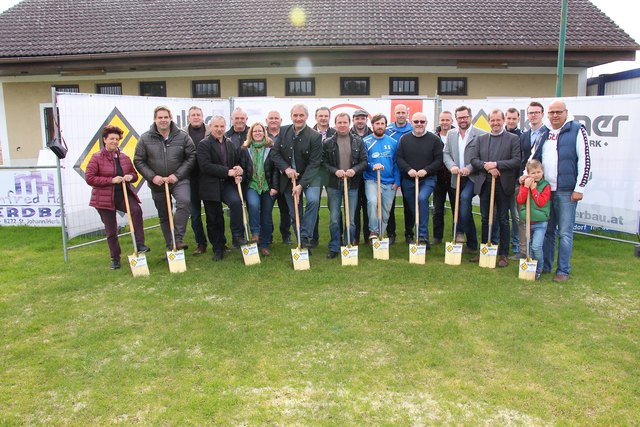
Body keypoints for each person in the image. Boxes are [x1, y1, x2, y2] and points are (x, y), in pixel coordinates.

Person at [532, 100, 591, 282]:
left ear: (566, 112)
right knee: (548, 230)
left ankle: (563, 270)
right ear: (547, 114)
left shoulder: (577, 129)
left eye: (558, 112)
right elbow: (534, 157)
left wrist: (579, 187)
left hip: (567, 191)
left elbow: (585, 160)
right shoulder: (544, 132)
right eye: (552, 112)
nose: (555, 115)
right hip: (547, 190)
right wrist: (526, 175)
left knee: (565, 233)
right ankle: (547, 266)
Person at [86, 125, 150, 269]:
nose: (114, 141)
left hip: (123, 195)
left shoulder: (124, 157)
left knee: (136, 210)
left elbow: (135, 175)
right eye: (111, 139)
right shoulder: (96, 157)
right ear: (105, 140)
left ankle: (139, 244)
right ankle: (115, 258)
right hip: (103, 199)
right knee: (111, 230)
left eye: (117, 139)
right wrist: (110, 180)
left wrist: (129, 177)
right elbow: (90, 178)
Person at [134, 105, 195, 251]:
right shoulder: (145, 138)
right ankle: (171, 244)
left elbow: (192, 156)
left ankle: (178, 238)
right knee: (164, 214)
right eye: (160, 117)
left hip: (179, 180)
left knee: (184, 202)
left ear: (171, 118)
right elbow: (138, 160)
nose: (163, 120)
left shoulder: (182, 136)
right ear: (155, 119)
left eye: (166, 117)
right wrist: (152, 177)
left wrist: (177, 175)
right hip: (157, 183)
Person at [468, 109, 521, 267]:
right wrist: (487, 166)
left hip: (504, 184)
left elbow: (517, 160)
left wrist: (497, 165)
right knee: (485, 218)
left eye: (498, 120)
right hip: (485, 184)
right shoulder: (481, 139)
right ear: (489, 121)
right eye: (492, 120)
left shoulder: (513, 139)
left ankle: (503, 254)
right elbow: (474, 160)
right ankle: (485, 249)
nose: (495, 123)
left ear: (503, 120)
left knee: (503, 219)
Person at [271, 104, 323, 249]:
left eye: (301, 115)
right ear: (291, 116)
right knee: (295, 212)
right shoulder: (283, 131)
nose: (298, 118)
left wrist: (301, 185)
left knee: (313, 201)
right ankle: (303, 244)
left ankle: (305, 235)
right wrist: (286, 168)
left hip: (311, 177)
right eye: (295, 115)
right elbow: (275, 154)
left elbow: (314, 164)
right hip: (289, 179)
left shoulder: (315, 136)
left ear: (306, 116)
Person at [197, 115, 247, 261]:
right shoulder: (204, 144)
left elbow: (236, 162)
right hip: (210, 186)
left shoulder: (230, 143)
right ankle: (218, 248)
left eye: (222, 126)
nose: (219, 129)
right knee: (214, 218)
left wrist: (238, 170)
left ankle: (237, 236)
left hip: (226, 184)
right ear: (210, 127)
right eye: (216, 126)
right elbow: (205, 166)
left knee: (236, 202)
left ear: (225, 127)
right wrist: (227, 171)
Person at [322, 112, 368, 258]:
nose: (342, 125)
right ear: (335, 124)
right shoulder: (327, 142)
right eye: (339, 122)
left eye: (344, 122)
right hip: (333, 185)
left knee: (351, 219)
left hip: (352, 185)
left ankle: (349, 245)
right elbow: (323, 163)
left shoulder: (358, 141)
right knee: (334, 218)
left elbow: (364, 162)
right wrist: (335, 171)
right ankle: (335, 247)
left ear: (349, 123)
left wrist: (354, 170)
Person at [443, 106, 486, 257]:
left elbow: (482, 156)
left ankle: (470, 240)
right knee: (462, 208)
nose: (463, 120)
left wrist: (470, 167)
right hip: (457, 177)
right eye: (460, 117)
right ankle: (470, 242)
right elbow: (446, 153)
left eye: (465, 117)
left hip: (473, 177)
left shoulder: (480, 134)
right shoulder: (451, 134)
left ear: (470, 117)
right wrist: (452, 166)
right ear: (456, 119)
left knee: (464, 200)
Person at [396, 112, 443, 248]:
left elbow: (439, 160)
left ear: (426, 123)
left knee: (422, 199)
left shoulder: (434, 140)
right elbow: (399, 158)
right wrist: (408, 169)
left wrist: (426, 170)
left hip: (427, 179)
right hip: (409, 180)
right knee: (414, 208)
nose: (419, 124)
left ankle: (423, 237)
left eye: (422, 122)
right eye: (416, 122)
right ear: (412, 123)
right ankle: (417, 235)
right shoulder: (404, 139)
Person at [512, 101, 547, 260]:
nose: (533, 115)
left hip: (541, 183)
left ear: (542, 114)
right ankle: (524, 251)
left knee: (540, 217)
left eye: (536, 112)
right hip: (525, 181)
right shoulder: (524, 136)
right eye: (531, 113)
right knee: (522, 217)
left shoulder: (548, 133)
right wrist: (521, 175)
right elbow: (521, 159)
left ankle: (539, 253)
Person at [241, 122, 279, 257]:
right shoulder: (245, 149)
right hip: (252, 185)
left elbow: (275, 170)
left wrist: (275, 187)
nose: (257, 133)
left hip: (268, 187)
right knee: (253, 205)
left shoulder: (271, 148)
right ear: (251, 134)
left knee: (267, 215)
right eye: (255, 131)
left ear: (264, 133)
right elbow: (244, 168)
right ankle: (255, 234)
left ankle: (264, 244)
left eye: (260, 131)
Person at [363, 114, 400, 241]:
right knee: (372, 202)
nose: (380, 126)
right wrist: (372, 165)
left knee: (385, 213)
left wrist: (397, 181)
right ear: (372, 125)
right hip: (372, 180)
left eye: (382, 124)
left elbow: (396, 163)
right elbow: (363, 162)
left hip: (390, 183)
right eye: (377, 124)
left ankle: (379, 237)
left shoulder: (393, 143)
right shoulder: (366, 142)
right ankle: (373, 230)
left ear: (386, 125)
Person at [492, 106, 523, 254]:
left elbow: (518, 160)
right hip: (500, 182)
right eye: (509, 118)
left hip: (517, 182)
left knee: (515, 216)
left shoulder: (521, 136)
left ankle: (516, 245)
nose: (511, 121)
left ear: (518, 119)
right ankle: (496, 244)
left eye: (513, 118)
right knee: (499, 215)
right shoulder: (496, 136)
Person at [181, 106, 210, 255]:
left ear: (202, 116)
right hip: (190, 178)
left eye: (198, 114)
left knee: (213, 212)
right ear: (189, 117)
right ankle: (201, 244)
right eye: (193, 115)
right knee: (195, 214)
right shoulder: (181, 133)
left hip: (208, 179)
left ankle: (219, 242)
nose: (196, 117)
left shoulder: (210, 131)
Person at [516, 159, 551, 280]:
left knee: (536, 246)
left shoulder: (546, 186)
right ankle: (530, 267)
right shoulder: (524, 184)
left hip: (540, 222)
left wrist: (534, 189)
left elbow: (541, 202)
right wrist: (526, 187)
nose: (536, 175)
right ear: (528, 173)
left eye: (538, 172)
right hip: (528, 222)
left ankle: (539, 269)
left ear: (542, 172)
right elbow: (520, 200)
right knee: (529, 247)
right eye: (533, 173)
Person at [385, 103, 414, 244]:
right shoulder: (387, 130)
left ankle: (409, 233)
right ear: (394, 114)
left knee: (409, 204)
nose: (401, 115)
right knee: (389, 203)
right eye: (398, 113)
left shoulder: (413, 129)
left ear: (407, 114)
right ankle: (391, 233)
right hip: (391, 171)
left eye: (403, 112)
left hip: (409, 170)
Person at [266, 110, 293, 244]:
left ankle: (286, 235)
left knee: (286, 210)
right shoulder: (261, 134)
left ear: (281, 120)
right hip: (268, 179)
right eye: (271, 118)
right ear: (266, 121)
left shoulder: (286, 134)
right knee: (267, 209)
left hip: (284, 178)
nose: (273, 120)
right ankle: (268, 235)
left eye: (276, 118)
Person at [312, 106, 337, 247]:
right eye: (320, 116)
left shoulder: (335, 133)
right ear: (316, 117)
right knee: (314, 204)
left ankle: (336, 239)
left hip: (331, 174)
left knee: (333, 207)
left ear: (329, 117)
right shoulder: (309, 132)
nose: (323, 118)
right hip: (315, 174)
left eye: (325, 116)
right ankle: (313, 238)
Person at [432, 111, 456, 245]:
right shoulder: (434, 137)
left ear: (452, 121)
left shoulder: (457, 135)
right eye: (442, 120)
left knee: (456, 208)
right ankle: (437, 236)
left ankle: (456, 235)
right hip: (438, 178)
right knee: (437, 209)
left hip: (454, 177)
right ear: (439, 121)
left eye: (447, 120)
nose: (445, 122)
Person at [350, 109, 373, 245]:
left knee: (368, 207)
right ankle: (355, 237)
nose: (360, 121)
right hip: (354, 177)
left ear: (366, 120)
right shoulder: (349, 134)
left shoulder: (372, 134)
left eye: (362, 118)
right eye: (357, 118)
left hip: (369, 176)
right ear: (353, 120)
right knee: (354, 208)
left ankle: (368, 235)